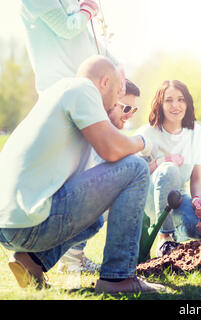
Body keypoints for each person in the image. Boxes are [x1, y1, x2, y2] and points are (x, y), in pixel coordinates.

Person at [0, 55, 166, 294]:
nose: (119, 102)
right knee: (136, 168)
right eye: (119, 94)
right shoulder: (83, 88)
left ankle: (31, 261)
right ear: (105, 82)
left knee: (96, 218)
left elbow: (95, 185)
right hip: (29, 225)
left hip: (10, 224)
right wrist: (143, 142)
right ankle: (118, 279)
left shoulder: (59, 93)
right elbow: (111, 150)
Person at [20, 0, 125, 271]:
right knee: (72, 178)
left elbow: (88, 43)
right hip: (60, 92)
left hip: (83, 93)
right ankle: (58, 254)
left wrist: (116, 65)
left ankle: (58, 256)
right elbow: (67, 28)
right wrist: (88, 8)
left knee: (83, 176)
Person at [56, 78, 141, 274]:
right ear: (110, 101)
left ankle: (73, 256)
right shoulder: (97, 137)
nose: (129, 115)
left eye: (134, 110)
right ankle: (72, 259)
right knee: (110, 187)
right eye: (126, 108)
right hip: (55, 211)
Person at [135, 80, 201, 261]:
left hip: (177, 198)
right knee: (169, 169)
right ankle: (164, 238)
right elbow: (133, 172)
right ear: (160, 104)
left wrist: (197, 200)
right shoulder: (147, 132)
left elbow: (197, 176)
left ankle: (177, 236)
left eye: (180, 100)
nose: (175, 105)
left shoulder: (196, 132)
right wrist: (163, 161)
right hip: (148, 200)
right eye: (168, 100)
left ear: (187, 103)